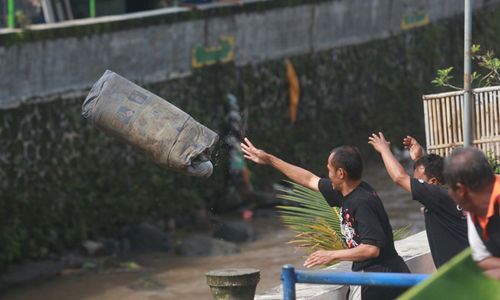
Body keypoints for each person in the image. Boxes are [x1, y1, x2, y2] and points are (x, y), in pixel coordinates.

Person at [241, 138, 410, 300]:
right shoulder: (346, 191)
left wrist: (331, 255)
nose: (328, 174)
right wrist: (269, 159)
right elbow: (308, 179)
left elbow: (371, 249)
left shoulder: (362, 201)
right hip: (378, 277)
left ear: (341, 173)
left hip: (382, 282)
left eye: (329, 169)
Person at [368, 132, 468, 268]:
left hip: (461, 276)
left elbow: (399, 178)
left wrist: (384, 150)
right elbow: (427, 185)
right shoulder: (451, 194)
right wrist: (419, 159)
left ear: (433, 182)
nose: (415, 184)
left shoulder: (439, 197)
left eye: (419, 181)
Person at [443, 147, 500, 279]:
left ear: (461, 190)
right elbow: (483, 259)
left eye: (449, 188)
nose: (449, 194)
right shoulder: (474, 209)